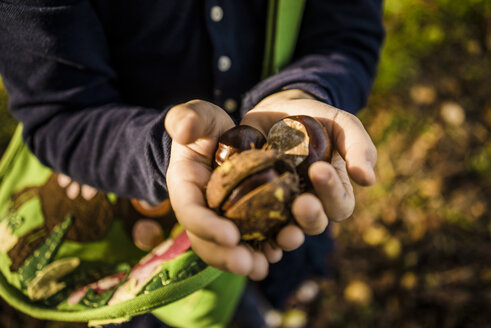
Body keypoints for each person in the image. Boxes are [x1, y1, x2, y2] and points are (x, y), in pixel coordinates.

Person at [0, 0, 384, 325]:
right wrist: (165, 152)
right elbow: (59, 113)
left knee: (280, 285)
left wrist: (306, 89)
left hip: (291, 215)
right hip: (138, 236)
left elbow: (347, 32)